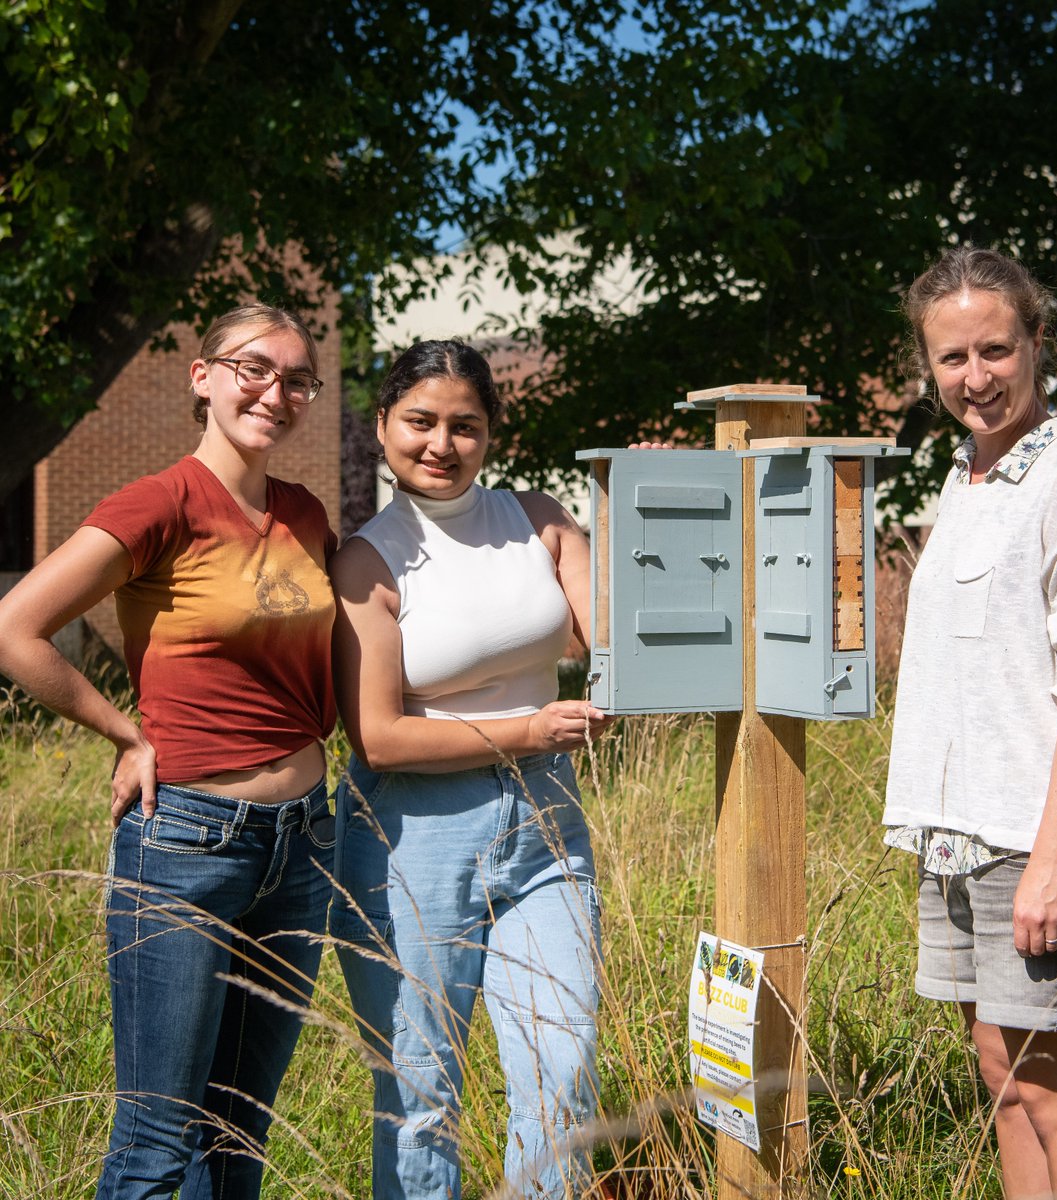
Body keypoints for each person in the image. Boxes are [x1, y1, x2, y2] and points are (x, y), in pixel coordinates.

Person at [0, 304, 338, 1199]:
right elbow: (15, 628)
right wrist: (125, 731)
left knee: (239, 1137)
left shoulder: (305, 515)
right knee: (158, 1139)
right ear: (204, 376)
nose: (276, 392)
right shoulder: (160, 502)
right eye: (253, 368)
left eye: (297, 379)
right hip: (187, 842)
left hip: (303, 844)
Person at [329, 339, 613, 1199]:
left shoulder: (539, 519)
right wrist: (529, 727)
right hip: (412, 846)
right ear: (382, 426)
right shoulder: (367, 560)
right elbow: (378, 737)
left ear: (491, 433)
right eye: (419, 422)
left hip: (546, 834)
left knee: (563, 1070)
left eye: (465, 425)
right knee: (421, 1095)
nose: (440, 444)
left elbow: (618, 646)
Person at [883, 247, 1057, 1199]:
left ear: (1037, 341)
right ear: (928, 365)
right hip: (962, 833)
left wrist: (1051, 859)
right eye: (952, 359)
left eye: (996, 349)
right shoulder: (971, 475)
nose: (976, 377)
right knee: (1002, 1073)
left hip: (1035, 843)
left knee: (1055, 1086)